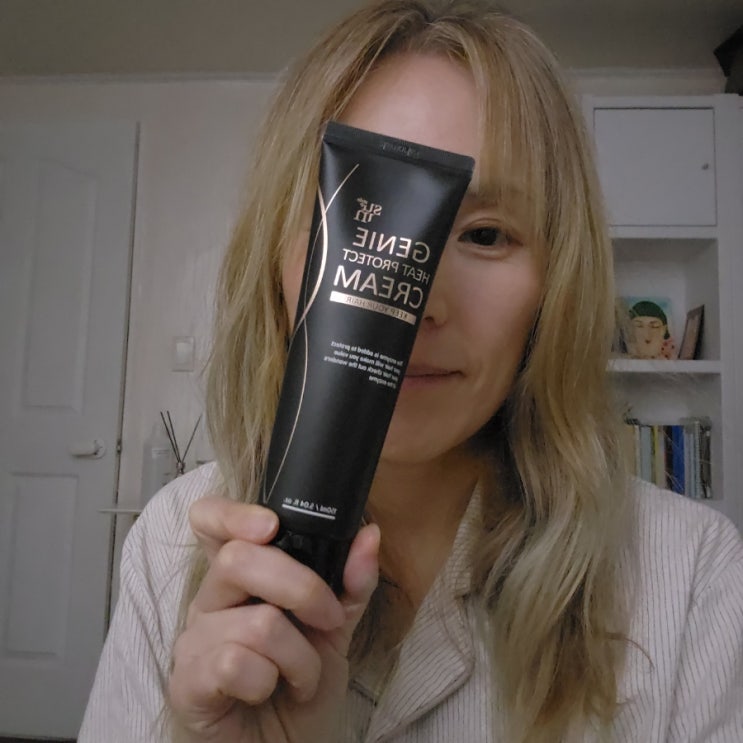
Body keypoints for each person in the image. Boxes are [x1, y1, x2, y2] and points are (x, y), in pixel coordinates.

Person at [79, 1, 743, 741]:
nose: (415, 301)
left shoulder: (691, 572)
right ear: (273, 266)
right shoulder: (172, 543)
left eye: (485, 234)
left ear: (557, 283)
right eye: (362, 222)